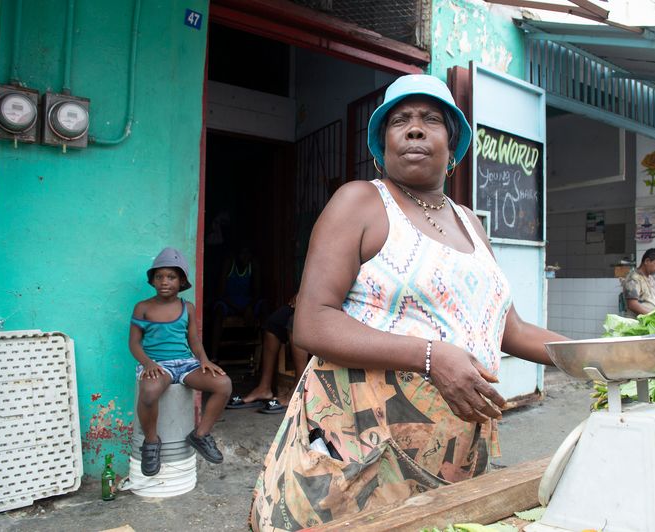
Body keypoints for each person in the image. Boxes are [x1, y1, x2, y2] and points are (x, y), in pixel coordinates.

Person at [249, 74, 567, 530]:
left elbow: (508, 329)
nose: (415, 129)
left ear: (452, 145)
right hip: (357, 442)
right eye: (400, 120)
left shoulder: (472, 225)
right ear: (382, 144)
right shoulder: (361, 202)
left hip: (451, 447)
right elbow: (312, 323)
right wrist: (432, 357)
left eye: (430, 120)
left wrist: (598, 356)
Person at [129, 247, 232, 476]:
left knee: (223, 384)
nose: (165, 281)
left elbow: (194, 340)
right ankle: (152, 443)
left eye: (171, 277)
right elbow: (134, 344)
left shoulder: (187, 308)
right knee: (148, 391)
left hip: (186, 364)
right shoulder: (143, 307)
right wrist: (147, 363)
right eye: (159, 276)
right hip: (157, 364)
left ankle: (200, 435)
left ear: (182, 281)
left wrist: (204, 360)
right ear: (152, 280)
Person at [225, 293, 310, 413]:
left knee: (296, 321)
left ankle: (299, 389)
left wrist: (308, 297)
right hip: (312, 300)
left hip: (334, 307)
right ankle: (264, 388)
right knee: (274, 322)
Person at [621, 248, 655, 317]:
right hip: (638, 323)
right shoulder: (633, 278)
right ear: (647, 261)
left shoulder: (653, 279)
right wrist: (652, 316)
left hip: (652, 323)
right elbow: (632, 305)